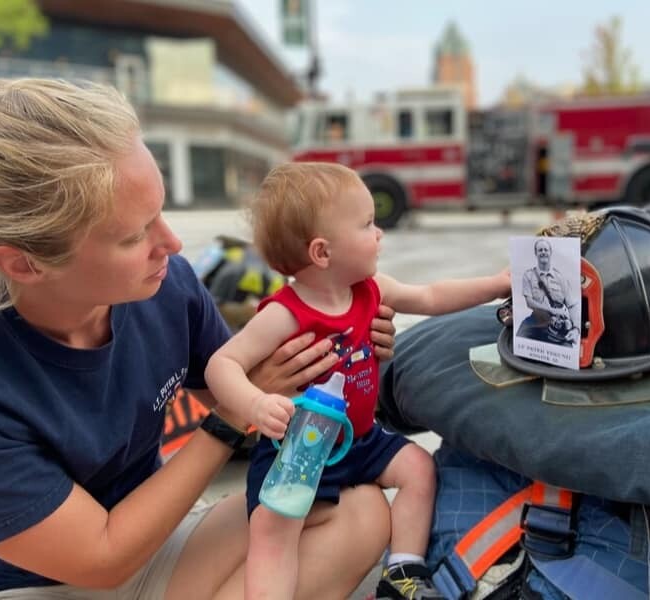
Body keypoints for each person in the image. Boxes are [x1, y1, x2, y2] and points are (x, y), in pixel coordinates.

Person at [0, 78, 400, 600]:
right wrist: (231, 418)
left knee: (357, 509)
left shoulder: (166, 287)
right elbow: (101, 557)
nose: (172, 242)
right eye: (135, 235)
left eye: (160, 213)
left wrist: (340, 349)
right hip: (33, 584)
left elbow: (263, 399)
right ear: (23, 263)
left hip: (151, 544)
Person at [204, 161, 511, 599]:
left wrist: (497, 283)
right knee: (274, 536)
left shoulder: (370, 288)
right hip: (297, 448)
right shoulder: (285, 314)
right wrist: (255, 404)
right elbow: (222, 364)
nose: (379, 233)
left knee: (418, 468)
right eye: (367, 224)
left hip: (362, 440)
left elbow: (431, 296)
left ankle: (403, 571)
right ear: (322, 252)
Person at [516, 238, 579, 346]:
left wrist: (576, 330)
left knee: (567, 351)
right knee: (519, 341)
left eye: (546, 250)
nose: (543, 252)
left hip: (558, 325)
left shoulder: (560, 277)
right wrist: (552, 310)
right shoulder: (528, 275)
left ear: (550, 253)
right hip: (536, 320)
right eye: (540, 250)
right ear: (536, 253)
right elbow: (529, 302)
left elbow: (572, 305)